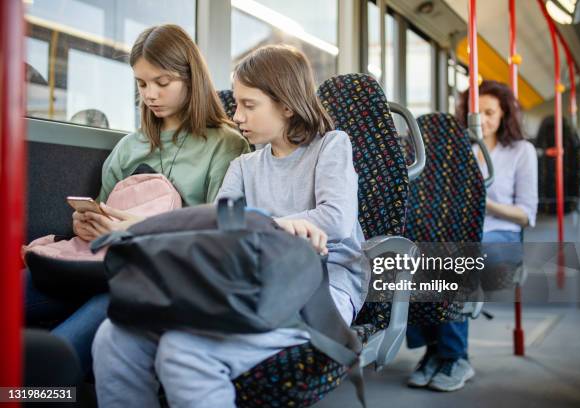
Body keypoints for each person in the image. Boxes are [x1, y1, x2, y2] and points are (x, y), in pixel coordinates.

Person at [92, 44, 366, 408]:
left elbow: (337, 220)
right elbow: (218, 225)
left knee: (185, 352)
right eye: (236, 104)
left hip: (321, 281)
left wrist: (260, 227)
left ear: (286, 105)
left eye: (249, 106)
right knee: (114, 337)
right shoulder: (244, 166)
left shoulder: (330, 146)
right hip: (248, 277)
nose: (237, 117)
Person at [24, 24, 250, 374]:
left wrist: (139, 228)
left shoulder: (226, 144)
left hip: (157, 275)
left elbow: (218, 234)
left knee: (54, 355)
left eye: (162, 82)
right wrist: (86, 224)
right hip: (100, 261)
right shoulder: (129, 147)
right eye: (142, 84)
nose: (150, 94)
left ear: (191, 79)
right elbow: (102, 209)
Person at [405, 80, 537, 392]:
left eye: (491, 112)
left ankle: (455, 356)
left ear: (504, 114)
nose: (484, 120)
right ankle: (434, 351)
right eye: (477, 112)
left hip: (501, 235)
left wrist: (481, 202)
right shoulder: (458, 150)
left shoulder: (521, 151)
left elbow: (525, 214)